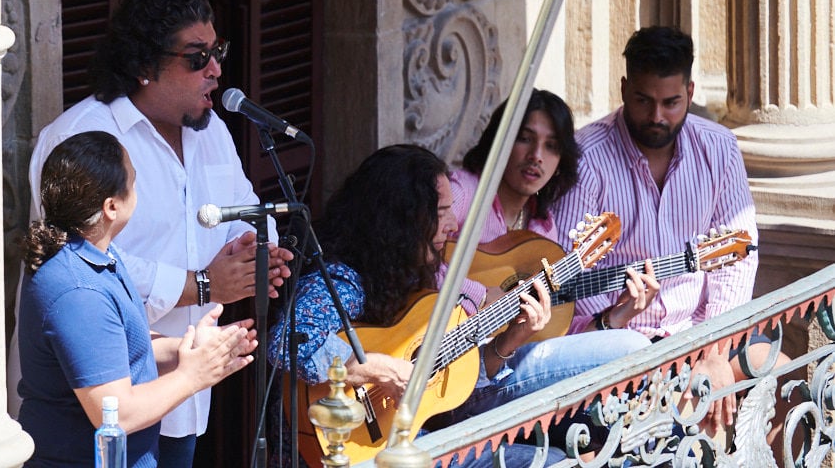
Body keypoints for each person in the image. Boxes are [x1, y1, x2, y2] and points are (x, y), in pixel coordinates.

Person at [16, 0, 294, 465]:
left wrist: (252, 256)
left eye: (217, 51)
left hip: (179, 384)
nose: (216, 70)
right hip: (93, 409)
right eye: (196, 57)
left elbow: (243, 209)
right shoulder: (82, 139)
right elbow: (74, 257)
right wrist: (202, 285)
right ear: (145, 66)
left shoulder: (213, 134)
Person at [269, 145, 645, 467]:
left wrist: (510, 340)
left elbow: (458, 404)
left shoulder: (414, 278)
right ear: (401, 218)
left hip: (426, 441)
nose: (452, 226)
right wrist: (382, 370)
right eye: (442, 211)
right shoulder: (344, 278)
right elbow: (290, 344)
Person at [553, 25, 787, 438]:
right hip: (619, 353)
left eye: (671, 102)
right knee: (693, 416)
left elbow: (736, 261)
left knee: (786, 378)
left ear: (691, 92)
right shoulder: (587, 159)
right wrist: (624, 318)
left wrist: (713, 351)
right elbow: (571, 285)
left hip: (702, 336)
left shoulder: (718, 147)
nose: (657, 116)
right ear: (624, 89)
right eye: (643, 100)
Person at [17, 131, 256, 467]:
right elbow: (115, 414)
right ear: (111, 207)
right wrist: (194, 375)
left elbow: (118, 350)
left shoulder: (97, 255)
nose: (137, 188)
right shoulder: (78, 290)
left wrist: (187, 349)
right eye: (133, 180)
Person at [440, 88, 651, 422]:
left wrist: (615, 317)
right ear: (501, 139)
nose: (537, 155)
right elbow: (408, 257)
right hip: (438, 370)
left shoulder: (542, 231)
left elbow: (553, 336)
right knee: (632, 349)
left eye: (552, 146)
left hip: (498, 372)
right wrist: (479, 295)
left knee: (629, 344)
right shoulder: (465, 192)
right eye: (525, 139)